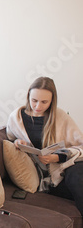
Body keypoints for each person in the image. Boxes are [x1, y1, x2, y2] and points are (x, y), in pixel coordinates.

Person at [7, 77, 83, 217]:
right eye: (34, 100)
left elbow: (81, 145)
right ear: (28, 95)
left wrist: (57, 156)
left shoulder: (60, 116)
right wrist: (18, 142)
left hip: (70, 165)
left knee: (77, 177)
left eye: (44, 102)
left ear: (52, 101)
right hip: (51, 177)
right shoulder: (16, 118)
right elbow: (10, 139)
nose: (38, 106)